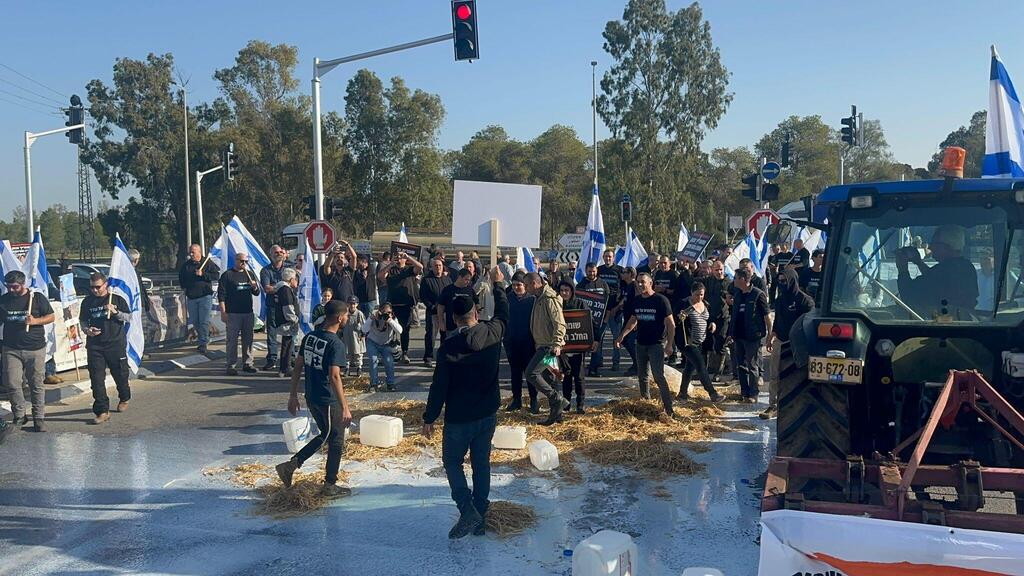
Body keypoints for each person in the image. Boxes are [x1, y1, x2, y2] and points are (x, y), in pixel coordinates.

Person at [422, 266, 508, 539]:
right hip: (486, 412)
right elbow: (504, 314)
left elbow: (439, 386)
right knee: (481, 464)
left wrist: (429, 417)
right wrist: (498, 285)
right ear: (476, 313)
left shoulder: (447, 348)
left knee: (452, 463)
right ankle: (479, 515)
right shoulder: (493, 333)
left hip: (459, 417)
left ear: (454, 318)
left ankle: (467, 510)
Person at [275, 300, 353, 498]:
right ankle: (323, 481)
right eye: (346, 315)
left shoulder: (310, 337)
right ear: (339, 318)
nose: (347, 318)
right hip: (327, 398)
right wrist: (345, 406)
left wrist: (293, 394)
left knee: (328, 435)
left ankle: (319, 477)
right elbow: (335, 375)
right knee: (333, 439)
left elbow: (298, 366)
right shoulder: (336, 343)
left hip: (311, 395)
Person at [614, 273, 676, 421]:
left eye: (643, 282)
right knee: (642, 377)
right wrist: (622, 336)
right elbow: (633, 320)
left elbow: (671, 324)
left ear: (650, 283)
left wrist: (669, 344)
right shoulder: (637, 301)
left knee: (659, 376)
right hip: (641, 344)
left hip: (656, 344)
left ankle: (669, 409)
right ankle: (646, 405)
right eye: (638, 283)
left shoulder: (661, 300)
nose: (640, 285)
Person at [0, 270, 56, 432]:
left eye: (15, 287)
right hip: (11, 348)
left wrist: (35, 321)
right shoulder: (4, 300)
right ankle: (19, 415)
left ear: (22, 284)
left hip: (35, 348)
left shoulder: (36, 298)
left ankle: (39, 418)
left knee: (36, 383)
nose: (11, 290)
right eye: (8, 286)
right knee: (12, 383)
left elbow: (51, 316)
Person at [80, 272, 132, 424]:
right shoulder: (87, 301)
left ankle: (124, 397)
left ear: (106, 285)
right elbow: (83, 321)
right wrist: (87, 330)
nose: (95, 290)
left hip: (115, 343)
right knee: (96, 379)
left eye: (98, 287)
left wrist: (115, 312)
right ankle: (102, 410)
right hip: (95, 345)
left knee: (120, 375)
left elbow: (129, 317)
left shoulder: (117, 299)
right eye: (92, 287)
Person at [764, 268, 814, 419]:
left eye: (784, 281)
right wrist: (771, 334)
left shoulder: (805, 301)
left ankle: (800, 404)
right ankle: (773, 405)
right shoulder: (780, 299)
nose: (781, 284)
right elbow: (777, 318)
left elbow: (809, 323)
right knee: (775, 374)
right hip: (780, 339)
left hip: (798, 344)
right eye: (779, 281)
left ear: (792, 280)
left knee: (799, 375)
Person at [897, 224, 978, 317]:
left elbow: (909, 296)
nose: (930, 247)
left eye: (934, 243)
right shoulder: (967, 267)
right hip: (964, 321)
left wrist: (902, 268)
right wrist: (919, 262)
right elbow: (934, 279)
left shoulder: (943, 271)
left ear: (947, 246)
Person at [523, 272, 570, 426]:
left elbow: (560, 323)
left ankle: (557, 398)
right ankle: (556, 415)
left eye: (526, 285)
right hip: (542, 344)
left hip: (548, 346)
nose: (525, 288)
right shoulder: (539, 298)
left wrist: (556, 343)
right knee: (551, 378)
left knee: (531, 373)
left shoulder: (550, 298)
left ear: (535, 283)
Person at [729, 267, 772, 403]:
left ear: (742, 279)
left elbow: (767, 316)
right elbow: (734, 315)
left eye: (735, 278)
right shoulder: (737, 294)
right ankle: (744, 392)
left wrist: (770, 335)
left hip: (752, 336)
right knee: (740, 365)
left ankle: (754, 394)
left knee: (752, 365)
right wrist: (731, 333)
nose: (734, 280)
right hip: (739, 335)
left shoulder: (758, 294)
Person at [677, 281, 725, 403]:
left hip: (701, 341)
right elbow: (675, 321)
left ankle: (682, 394)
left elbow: (710, 317)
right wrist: (681, 316)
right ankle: (713, 393)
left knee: (689, 367)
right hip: (688, 342)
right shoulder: (684, 304)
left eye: (702, 294)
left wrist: (712, 323)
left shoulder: (706, 304)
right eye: (697, 295)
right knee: (701, 366)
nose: (699, 297)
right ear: (691, 293)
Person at [218, 252, 261, 376]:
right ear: (236, 261)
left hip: (247, 312)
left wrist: (254, 287)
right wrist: (223, 312)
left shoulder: (249, 274)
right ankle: (231, 365)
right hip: (233, 313)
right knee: (232, 341)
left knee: (248, 340)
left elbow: (257, 293)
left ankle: (248, 363)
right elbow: (221, 295)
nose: (244, 264)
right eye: (242, 261)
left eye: (246, 261)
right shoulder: (227, 275)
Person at [377, 251, 423, 364]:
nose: (398, 259)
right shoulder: (391, 270)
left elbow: (420, 267)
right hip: (392, 305)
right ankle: (387, 354)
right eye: (396, 257)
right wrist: (390, 264)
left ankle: (404, 353)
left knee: (405, 330)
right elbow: (380, 276)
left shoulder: (409, 270)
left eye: (400, 257)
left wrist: (408, 257)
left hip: (406, 305)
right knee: (389, 331)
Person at [503, 271, 537, 413]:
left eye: (520, 285)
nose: (517, 288)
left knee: (530, 374)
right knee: (515, 373)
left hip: (529, 343)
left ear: (525, 285)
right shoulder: (507, 299)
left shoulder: (533, 300)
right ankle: (517, 400)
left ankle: (534, 401)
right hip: (512, 342)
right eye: (514, 285)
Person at [178, 243, 219, 354]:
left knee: (204, 321)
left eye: (193, 252)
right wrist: (185, 287)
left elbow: (216, 275)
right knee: (195, 321)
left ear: (199, 252)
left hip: (205, 296)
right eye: (190, 252)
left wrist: (203, 274)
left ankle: (203, 342)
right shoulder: (186, 266)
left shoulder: (207, 263)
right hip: (192, 297)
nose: (191, 254)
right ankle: (204, 336)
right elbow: (181, 278)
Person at [557, 281, 588, 413]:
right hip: (563, 348)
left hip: (578, 347)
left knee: (579, 378)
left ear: (572, 291)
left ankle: (580, 404)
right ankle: (567, 403)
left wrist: (594, 339)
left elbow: (589, 322)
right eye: (562, 290)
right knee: (566, 376)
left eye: (567, 290)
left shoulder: (580, 303)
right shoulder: (557, 304)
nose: (564, 293)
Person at [576, 262, 611, 378]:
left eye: (594, 271)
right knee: (584, 345)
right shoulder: (581, 285)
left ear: (597, 271)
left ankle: (594, 369)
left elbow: (608, 303)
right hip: (586, 321)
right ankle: (580, 369)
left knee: (597, 345)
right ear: (586, 271)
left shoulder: (603, 284)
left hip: (600, 322)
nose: (592, 273)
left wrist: (606, 319)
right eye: (590, 271)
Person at [260, 244, 290, 371]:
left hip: (287, 307)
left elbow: (294, 285)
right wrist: (284, 286)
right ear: (271, 255)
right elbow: (267, 288)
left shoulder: (289, 269)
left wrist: (276, 287)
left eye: (280, 252)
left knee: (288, 334)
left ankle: (289, 359)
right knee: (272, 334)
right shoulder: (266, 270)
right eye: (276, 253)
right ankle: (272, 359)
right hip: (273, 306)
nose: (279, 254)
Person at [362, 302, 402, 391]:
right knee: (373, 360)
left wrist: (390, 321)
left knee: (389, 362)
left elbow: (400, 331)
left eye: (388, 312)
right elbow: (364, 330)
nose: (386, 315)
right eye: (384, 312)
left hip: (386, 344)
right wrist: (371, 319)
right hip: (372, 342)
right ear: (379, 311)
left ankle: (391, 383)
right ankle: (374, 384)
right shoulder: (373, 317)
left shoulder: (393, 318)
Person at [597, 250, 624, 373]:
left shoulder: (620, 270)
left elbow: (625, 291)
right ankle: (598, 361)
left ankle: (616, 363)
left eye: (610, 257)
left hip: (615, 310)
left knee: (616, 338)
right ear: (603, 257)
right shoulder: (598, 270)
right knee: (599, 337)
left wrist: (618, 307)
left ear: (614, 258)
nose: (608, 259)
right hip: (601, 310)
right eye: (606, 256)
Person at [704, 260, 732, 380]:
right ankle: (711, 367)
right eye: (716, 269)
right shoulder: (709, 281)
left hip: (724, 317)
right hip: (710, 317)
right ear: (712, 270)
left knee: (721, 343)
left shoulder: (729, 283)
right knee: (710, 343)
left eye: (721, 269)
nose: (719, 272)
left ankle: (718, 372)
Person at [419, 258, 450, 367]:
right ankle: (428, 357)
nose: (438, 267)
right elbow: (423, 296)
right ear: (432, 267)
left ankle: (442, 357)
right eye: (436, 266)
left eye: (440, 265)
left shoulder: (447, 279)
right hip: (432, 312)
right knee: (431, 335)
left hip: (445, 313)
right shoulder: (426, 280)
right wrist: (431, 307)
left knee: (445, 335)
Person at [270, 268, 300, 378]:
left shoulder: (280, 288)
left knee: (286, 345)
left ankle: (284, 367)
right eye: (295, 278)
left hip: (282, 321)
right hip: (287, 322)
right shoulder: (285, 290)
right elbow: (288, 307)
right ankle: (285, 367)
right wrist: (295, 319)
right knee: (287, 345)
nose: (296, 280)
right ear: (291, 279)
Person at [438, 268, 477, 339]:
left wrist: (476, 319)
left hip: (468, 326)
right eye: (466, 279)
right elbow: (440, 306)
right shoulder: (448, 290)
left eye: (469, 280)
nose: (468, 282)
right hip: (451, 325)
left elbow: (475, 304)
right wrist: (441, 322)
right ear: (459, 277)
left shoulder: (470, 290)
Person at [617, 266, 640, 375]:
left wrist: (636, 320)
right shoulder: (627, 286)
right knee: (625, 341)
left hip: (633, 319)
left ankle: (638, 365)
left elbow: (638, 301)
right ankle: (636, 363)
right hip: (626, 317)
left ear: (631, 274)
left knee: (629, 342)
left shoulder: (635, 285)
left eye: (624, 272)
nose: (622, 274)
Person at [343, 296, 366, 376]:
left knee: (358, 353)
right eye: (350, 303)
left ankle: (359, 368)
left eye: (354, 304)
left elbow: (364, 325)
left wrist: (363, 334)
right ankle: (347, 368)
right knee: (347, 353)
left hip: (357, 336)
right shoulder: (345, 313)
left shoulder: (359, 313)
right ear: (347, 304)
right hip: (346, 335)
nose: (352, 305)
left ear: (357, 304)